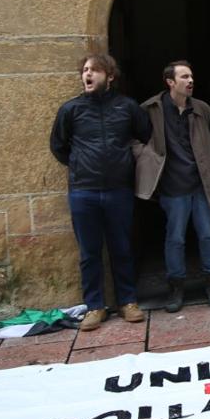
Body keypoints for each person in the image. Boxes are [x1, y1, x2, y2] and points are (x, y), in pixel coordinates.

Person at [50, 54, 151, 332]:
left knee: (121, 248)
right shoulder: (71, 110)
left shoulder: (127, 107)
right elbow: (58, 146)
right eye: (84, 70)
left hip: (119, 190)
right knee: (89, 252)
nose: (88, 75)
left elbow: (146, 133)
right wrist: (82, 165)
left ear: (110, 76)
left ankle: (128, 301)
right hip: (84, 191)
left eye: (94, 70)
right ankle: (94, 306)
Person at [136, 61, 210, 312]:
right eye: (184, 77)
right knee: (175, 238)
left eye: (191, 76)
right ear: (170, 82)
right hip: (173, 186)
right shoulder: (151, 109)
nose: (190, 81)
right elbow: (133, 137)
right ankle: (176, 287)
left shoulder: (202, 109)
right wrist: (145, 157)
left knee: (207, 234)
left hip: (201, 184)